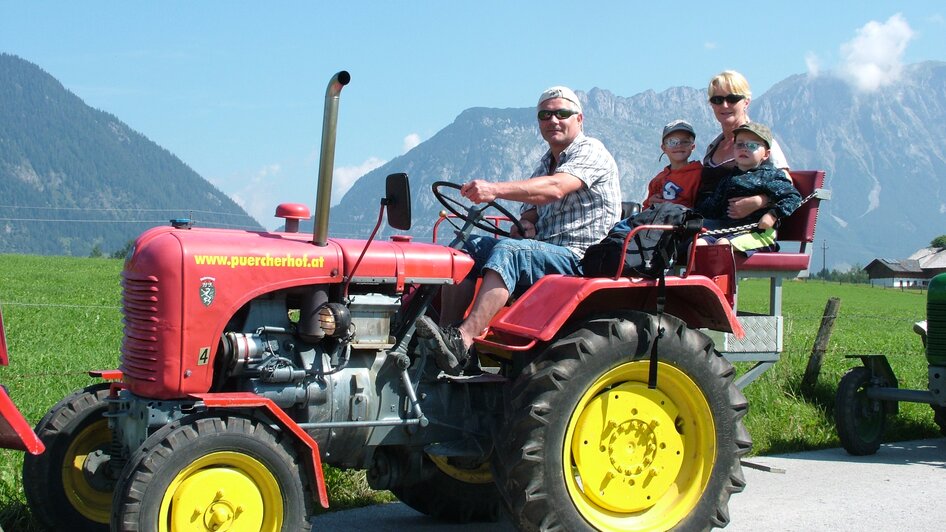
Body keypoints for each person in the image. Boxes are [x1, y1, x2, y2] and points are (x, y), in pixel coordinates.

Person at [416, 86, 622, 375]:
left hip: (580, 255)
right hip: (547, 248)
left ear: (579, 118)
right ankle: (446, 336)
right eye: (545, 114)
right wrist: (526, 221)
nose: (553, 120)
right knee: (466, 247)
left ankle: (463, 339)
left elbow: (555, 188)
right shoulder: (546, 162)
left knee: (509, 252)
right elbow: (534, 206)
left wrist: (494, 190)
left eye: (562, 113)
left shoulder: (591, 151)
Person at [696, 122, 801, 254]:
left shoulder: (769, 175)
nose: (744, 148)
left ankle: (723, 275)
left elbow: (793, 197)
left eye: (752, 145)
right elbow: (713, 207)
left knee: (722, 245)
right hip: (728, 230)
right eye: (739, 144)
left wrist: (772, 215)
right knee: (698, 244)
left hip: (759, 234)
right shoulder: (728, 179)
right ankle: (702, 274)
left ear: (766, 154)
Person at [699, 70, 791, 218]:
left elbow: (786, 183)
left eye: (732, 99)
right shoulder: (713, 146)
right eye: (717, 100)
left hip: (744, 229)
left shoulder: (762, 142)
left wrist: (759, 201)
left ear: (746, 102)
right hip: (706, 222)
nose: (724, 105)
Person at [643, 119, 702, 209]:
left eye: (685, 142)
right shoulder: (658, 180)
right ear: (664, 148)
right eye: (672, 142)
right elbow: (645, 209)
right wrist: (651, 204)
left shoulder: (699, 175)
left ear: (692, 147)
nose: (679, 145)